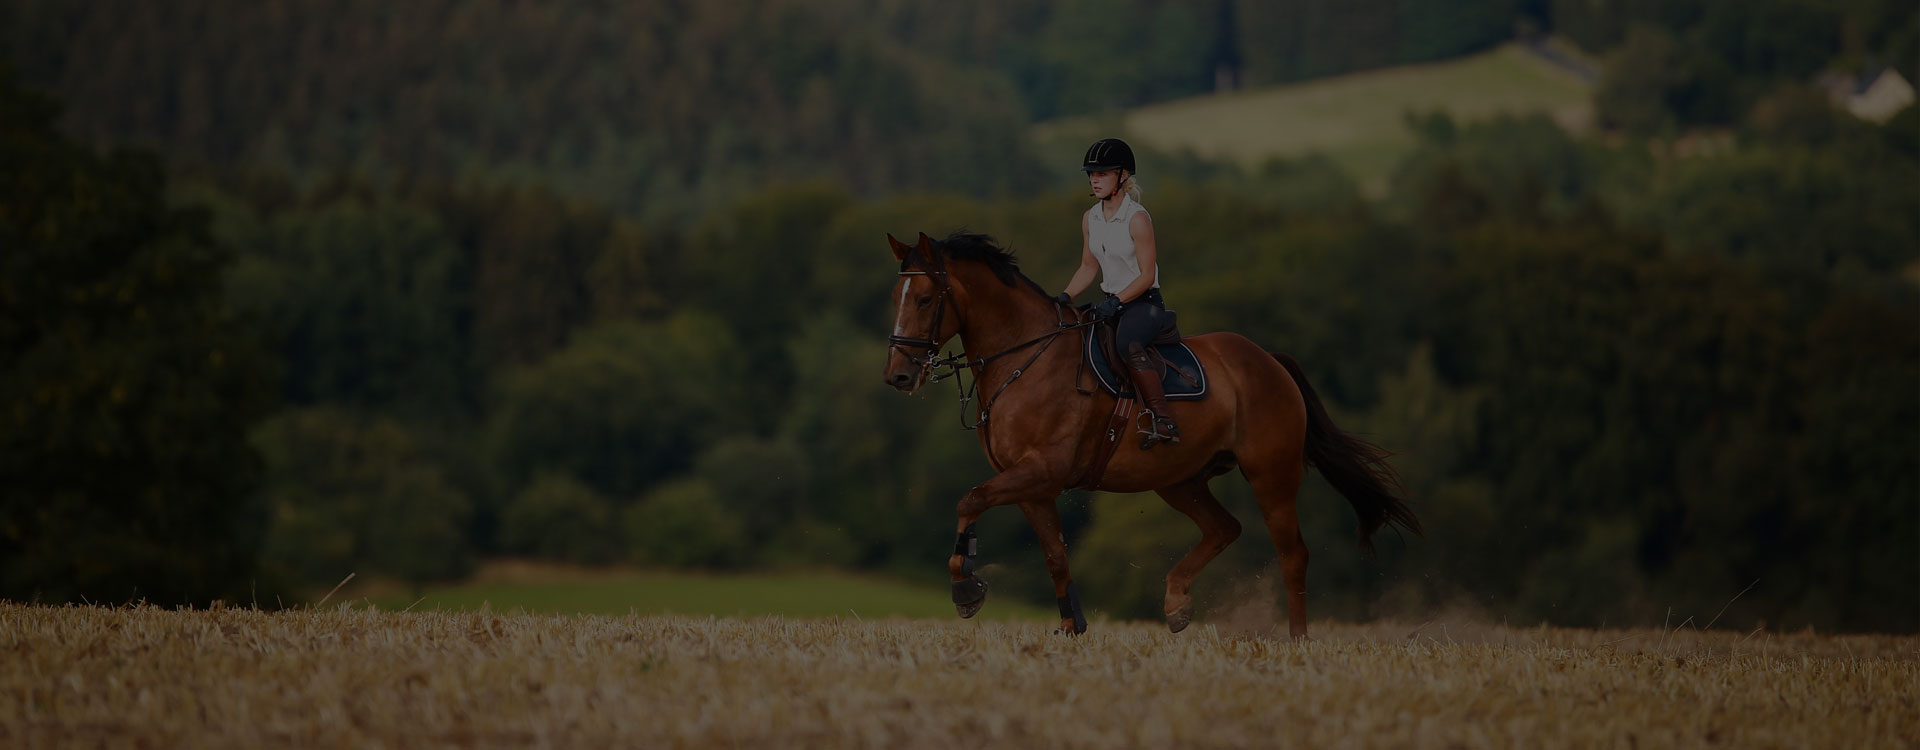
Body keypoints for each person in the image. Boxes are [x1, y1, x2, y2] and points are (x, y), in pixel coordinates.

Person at [1055, 138, 1180, 448]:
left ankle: (1164, 420)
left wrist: (1117, 301)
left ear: (1122, 176)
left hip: (1143, 303)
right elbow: (1087, 266)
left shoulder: (1137, 219)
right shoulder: (1091, 218)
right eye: (1091, 175)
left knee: (1128, 344)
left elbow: (1147, 275)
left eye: (1103, 174)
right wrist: (1064, 297)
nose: (1094, 180)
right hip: (1111, 304)